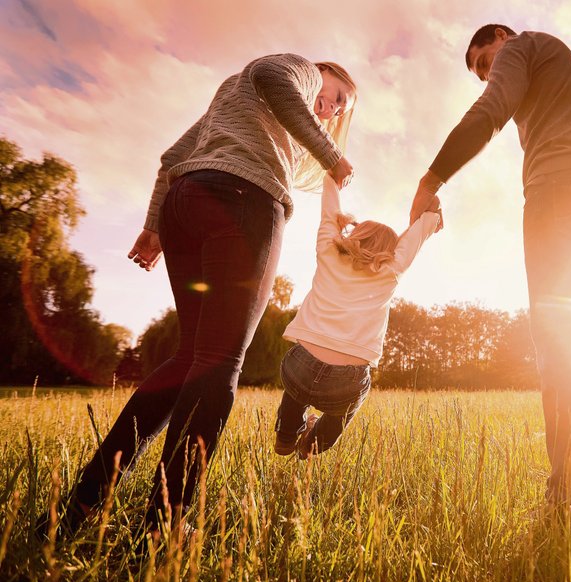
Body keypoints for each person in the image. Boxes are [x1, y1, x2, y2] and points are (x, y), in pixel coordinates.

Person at [39, 53, 358, 539]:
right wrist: (331, 155)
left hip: (185, 205)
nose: (331, 110)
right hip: (244, 203)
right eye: (336, 96)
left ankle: (81, 506)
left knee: (191, 357)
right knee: (219, 362)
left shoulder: (235, 97)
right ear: (322, 73)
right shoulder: (296, 68)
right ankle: (164, 526)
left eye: (339, 111)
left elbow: (171, 159)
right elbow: (275, 76)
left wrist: (153, 227)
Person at [410, 25, 571, 511]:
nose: (488, 74)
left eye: (487, 62)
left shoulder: (522, 47)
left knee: (562, 344)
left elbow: (491, 111)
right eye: (482, 71)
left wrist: (432, 178)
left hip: (559, 196)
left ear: (503, 39)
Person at [274, 176, 441, 459]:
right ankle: (313, 445)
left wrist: (332, 178)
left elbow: (329, 211)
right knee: (343, 411)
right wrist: (431, 212)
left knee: (297, 388)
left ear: (355, 235)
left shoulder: (328, 251)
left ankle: (287, 436)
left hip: (300, 364)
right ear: (391, 251)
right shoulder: (392, 270)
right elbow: (419, 233)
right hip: (347, 379)